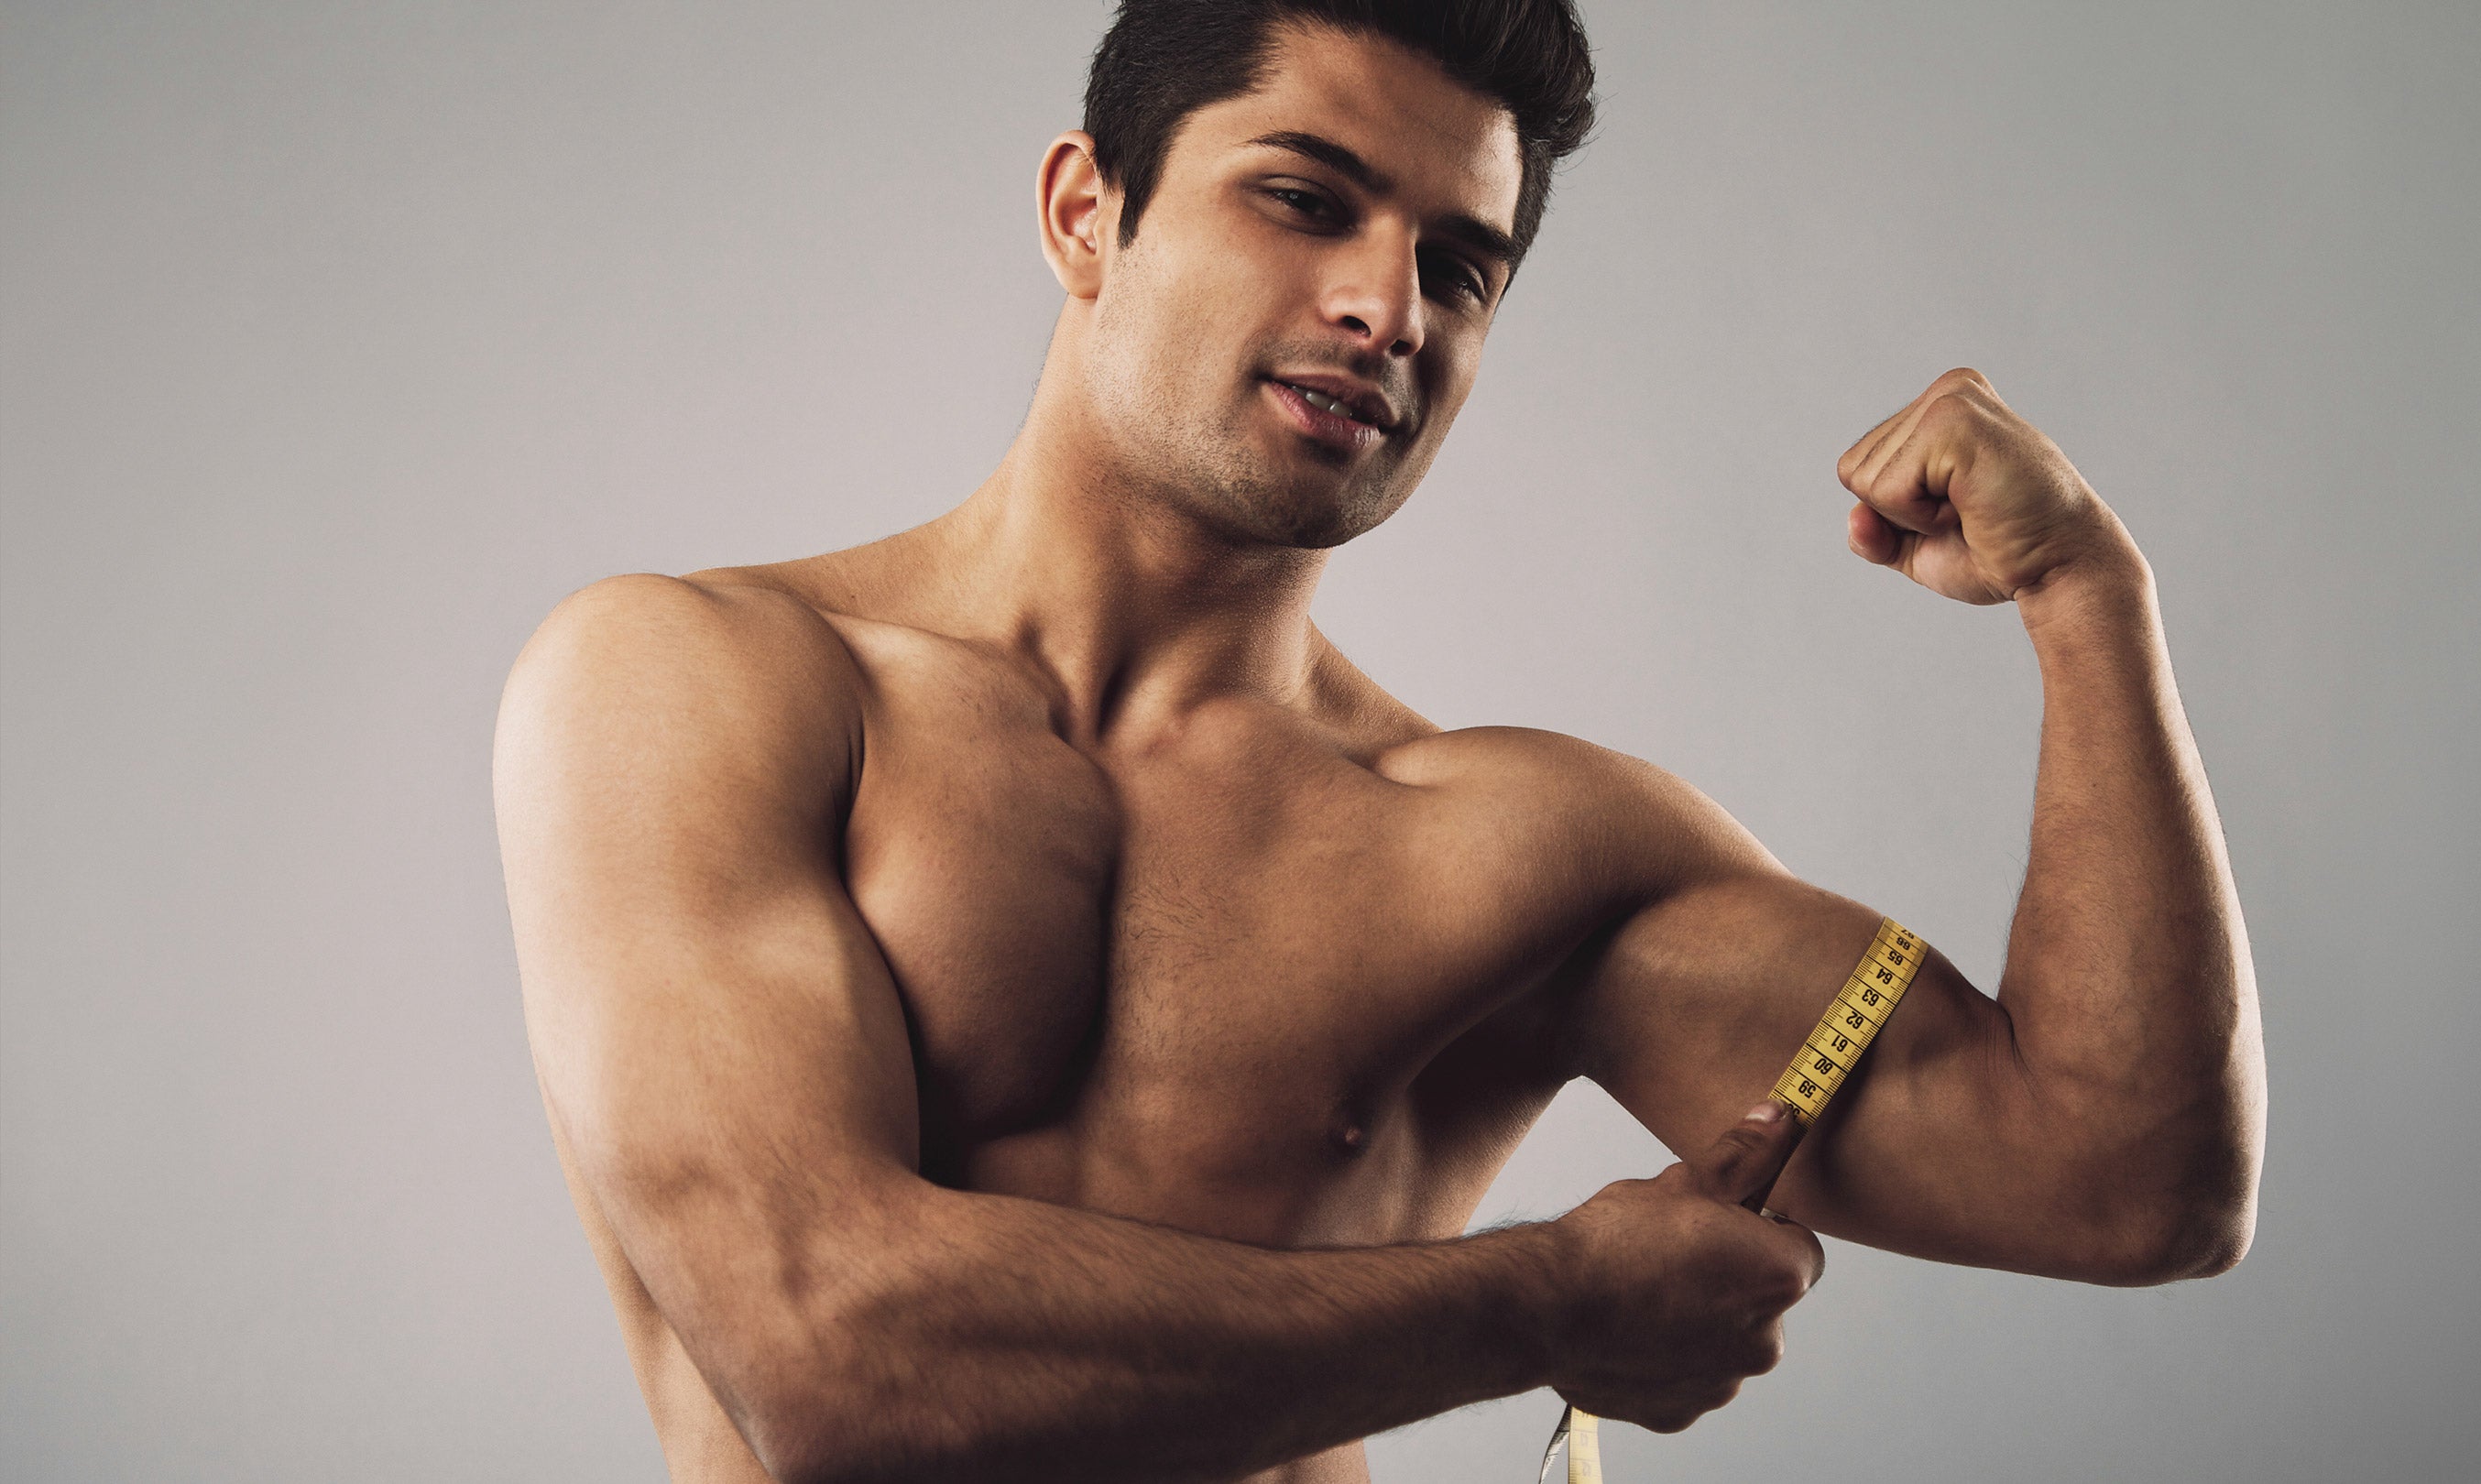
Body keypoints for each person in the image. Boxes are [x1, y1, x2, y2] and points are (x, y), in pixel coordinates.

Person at [491, 3, 2266, 1480]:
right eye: (1304, 200)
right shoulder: (709, 683)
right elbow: (827, 1352)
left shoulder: (1515, 850)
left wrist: (2089, 604)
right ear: (1084, 212)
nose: (1386, 306)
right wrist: (1537, 1303)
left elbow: (2130, 1191)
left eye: (1459, 265)